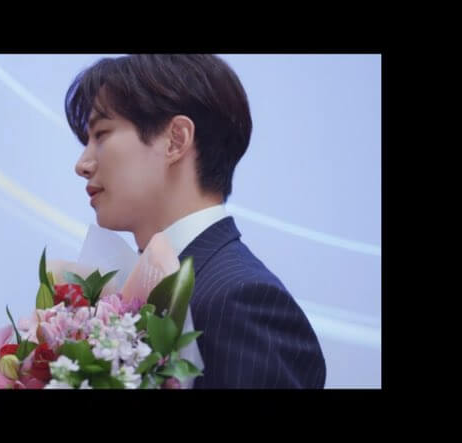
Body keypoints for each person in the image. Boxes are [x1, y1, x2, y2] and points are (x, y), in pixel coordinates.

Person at [66, 54, 325, 388]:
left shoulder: (240, 300)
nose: (82, 164)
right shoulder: (127, 294)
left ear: (176, 140)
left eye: (101, 134)